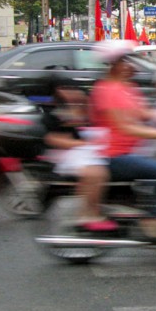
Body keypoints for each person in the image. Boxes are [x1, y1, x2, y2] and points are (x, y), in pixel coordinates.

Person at [89, 40, 156, 240]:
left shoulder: (127, 87)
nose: (129, 65)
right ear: (114, 65)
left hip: (135, 148)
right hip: (114, 155)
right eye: (124, 61)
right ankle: (155, 220)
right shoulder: (107, 90)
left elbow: (145, 113)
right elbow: (126, 127)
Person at [42, 82, 112, 231]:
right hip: (68, 153)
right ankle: (88, 214)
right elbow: (54, 139)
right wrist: (84, 143)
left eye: (73, 89)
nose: (72, 93)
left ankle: (94, 211)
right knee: (95, 173)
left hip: (91, 150)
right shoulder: (56, 115)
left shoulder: (89, 112)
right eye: (66, 89)